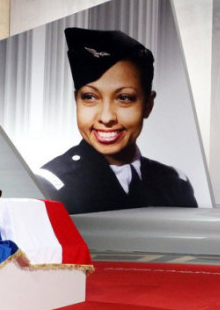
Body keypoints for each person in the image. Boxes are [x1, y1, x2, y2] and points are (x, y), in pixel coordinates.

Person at [36, 27, 197, 214]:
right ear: (76, 101)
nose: (106, 118)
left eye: (124, 98)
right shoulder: (49, 184)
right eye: (89, 96)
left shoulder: (175, 183)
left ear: (148, 105)